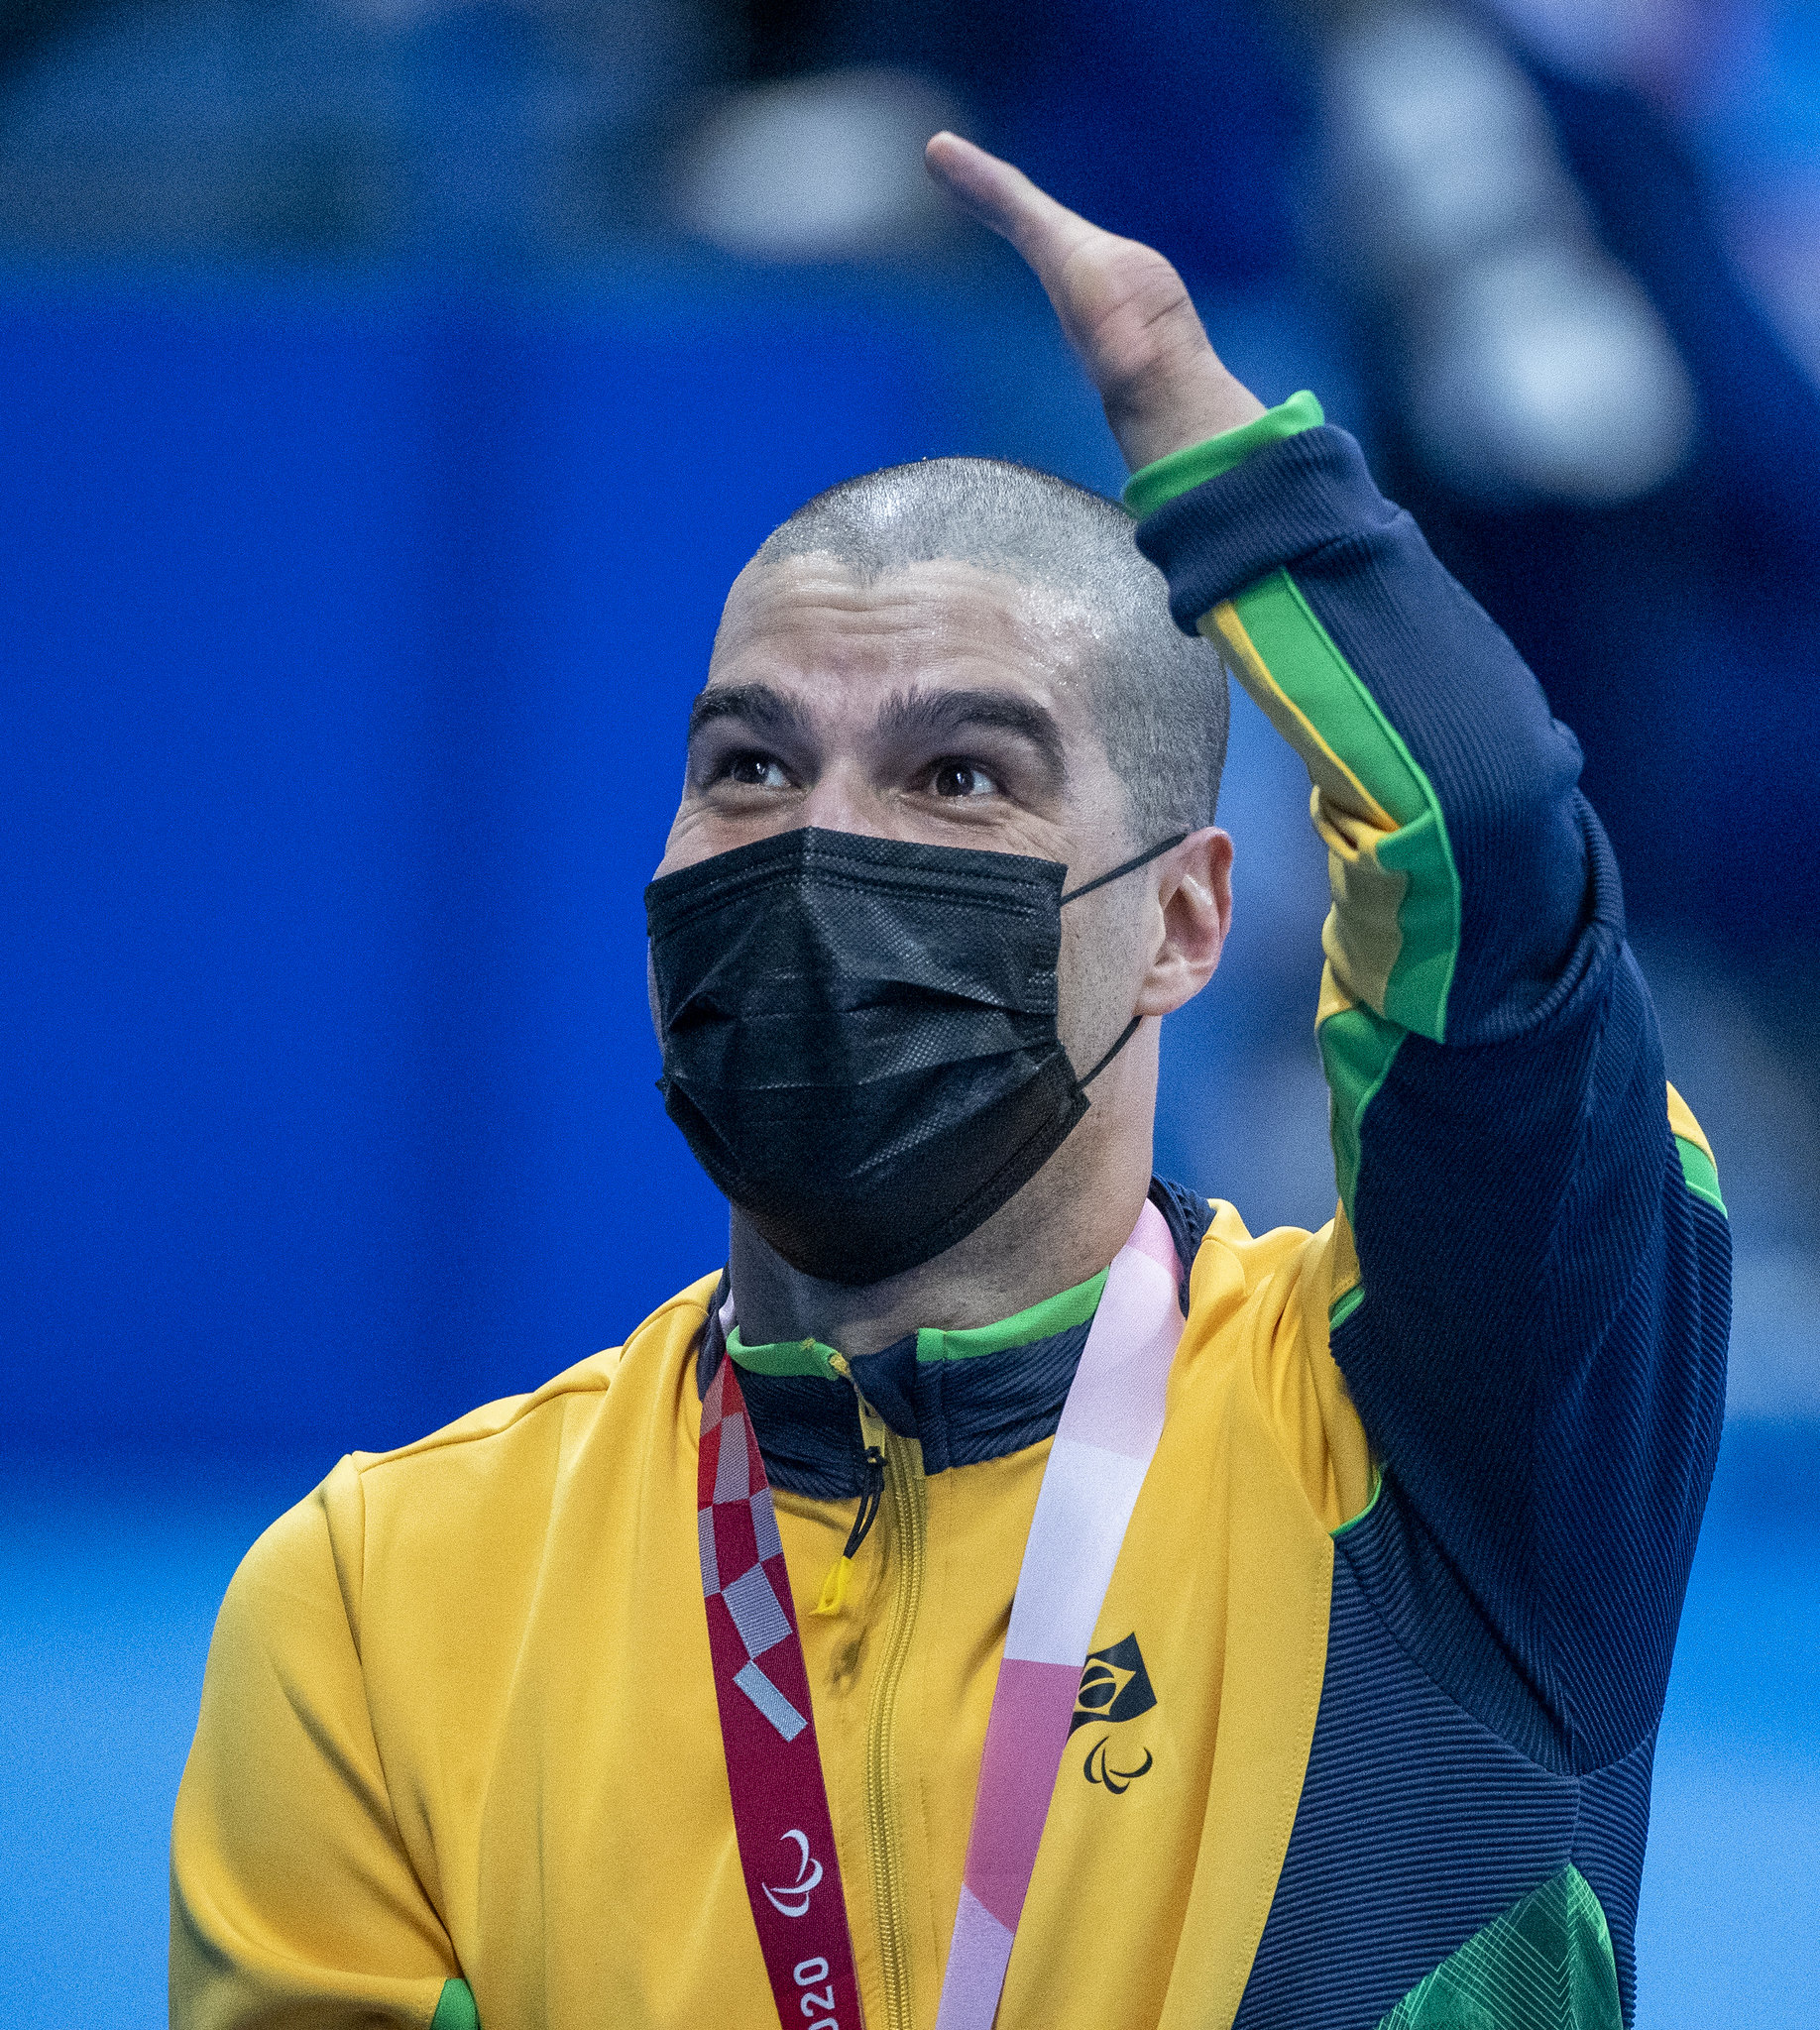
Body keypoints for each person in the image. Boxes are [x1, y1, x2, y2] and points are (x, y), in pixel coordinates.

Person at [170, 134, 1728, 2030]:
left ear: (1182, 919)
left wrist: (1230, 459)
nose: (820, 846)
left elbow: (1494, 850)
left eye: (960, 777)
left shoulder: (1456, 1452)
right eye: (749, 767)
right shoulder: (378, 1597)